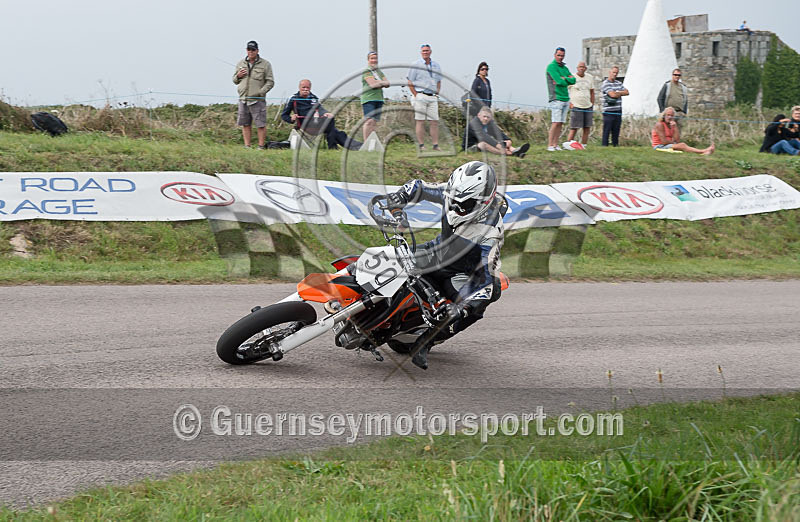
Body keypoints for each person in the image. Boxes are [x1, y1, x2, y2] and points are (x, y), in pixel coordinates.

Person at [386, 161, 506, 369]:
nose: (456, 209)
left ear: (483, 202)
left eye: (464, 206)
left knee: (487, 294)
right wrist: (400, 197)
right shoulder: (453, 193)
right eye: (453, 201)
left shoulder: (492, 233)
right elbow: (418, 187)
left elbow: (485, 280)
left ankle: (426, 341)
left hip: (459, 273)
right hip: (435, 252)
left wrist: (467, 306)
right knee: (388, 257)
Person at [281, 79, 362, 150]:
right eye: (303, 87)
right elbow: (284, 115)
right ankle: (334, 146)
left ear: (310, 88)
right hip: (305, 124)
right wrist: (291, 119)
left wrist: (326, 113)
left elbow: (320, 109)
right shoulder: (293, 98)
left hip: (317, 122)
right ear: (299, 88)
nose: (305, 89)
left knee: (333, 127)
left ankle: (358, 147)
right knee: (334, 130)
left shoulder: (313, 97)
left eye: (307, 88)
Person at [233, 40, 274, 150]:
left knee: (260, 124)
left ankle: (261, 146)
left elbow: (270, 82)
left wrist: (261, 92)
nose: (250, 52)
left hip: (257, 100)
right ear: (246, 50)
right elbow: (234, 80)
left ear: (257, 51)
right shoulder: (240, 63)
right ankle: (247, 146)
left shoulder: (265, 64)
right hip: (243, 98)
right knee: (245, 123)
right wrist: (238, 75)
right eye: (249, 49)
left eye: (253, 50)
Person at [407, 44, 442, 151]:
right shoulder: (416, 65)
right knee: (420, 121)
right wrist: (416, 95)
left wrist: (437, 93)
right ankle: (421, 145)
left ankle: (435, 145)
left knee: (434, 121)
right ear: (421, 52)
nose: (425, 52)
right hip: (420, 95)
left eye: (427, 51)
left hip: (432, 96)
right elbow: (410, 81)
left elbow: (439, 81)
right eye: (423, 51)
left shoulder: (436, 65)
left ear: (430, 51)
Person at [465, 106, 529, 157]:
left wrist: (508, 141)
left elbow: (499, 133)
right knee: (484, 144)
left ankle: (515, 151)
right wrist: (499, 146)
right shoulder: (473, 124)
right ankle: (509, 153)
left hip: (485, 142)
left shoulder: (490, 123)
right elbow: (484, 137)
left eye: (488, 117)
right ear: (479, 115)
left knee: (502, 142)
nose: (486, 119)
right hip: (472, 146)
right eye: (484, 116)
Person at [545, 47, 576, 151]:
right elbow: (559, 81)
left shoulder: (564, 68)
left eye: (562, 55)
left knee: (561, 123)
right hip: (556, 98)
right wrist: (565, 79)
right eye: (558, 55)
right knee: (555, 122)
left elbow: (573, 80)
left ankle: (555, 144)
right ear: (555, 55)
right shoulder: (551, 67)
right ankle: (550, 145)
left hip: (565, 98)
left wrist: (565, 79)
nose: (560, 57)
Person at [361, 51, 390, 141]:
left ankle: (372, 142)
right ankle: (366, 142)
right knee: (369, 121)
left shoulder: (379, 72)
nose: (374, 60)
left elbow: (388, 83)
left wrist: (378, 82)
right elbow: (373, 85)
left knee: (374, 122)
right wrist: (381, 83)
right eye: (372, 58)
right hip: (369, 99)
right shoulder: (367, 71)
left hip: (379, 99)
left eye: (375, 58)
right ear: (368, 60)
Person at [566, 61, 594, 148]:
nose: (581, 68)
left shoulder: (590, 77)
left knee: (587, 127)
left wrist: (592, 103)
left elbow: (592, 91)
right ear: (577, 68)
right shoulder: (572, 77)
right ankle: (568, 144)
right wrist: (569, 102)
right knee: (574, 127)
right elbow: (565, 89)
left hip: (587, 105)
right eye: (580, 67)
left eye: (583, 67)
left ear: (585, 68)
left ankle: (583, 145)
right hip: (576, 105)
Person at [600, 66, 628, 147]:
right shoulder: (605, 84)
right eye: (613, 72)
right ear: (610, 72)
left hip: (618, 110)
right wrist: (619, 92)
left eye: (616, 73)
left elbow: (627, 92)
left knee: (616, 130)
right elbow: (612, 95)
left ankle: (615, 145)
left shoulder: (619, 83)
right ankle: (604, 146)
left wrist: (617, 93)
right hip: (608, 111)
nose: (615, 74)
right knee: (607, 130)